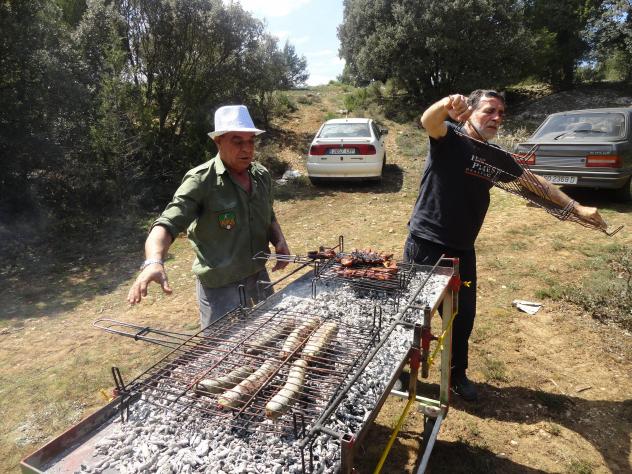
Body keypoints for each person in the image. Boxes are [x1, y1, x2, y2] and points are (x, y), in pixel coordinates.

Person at [404, 90, 606, 401]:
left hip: (462, 250)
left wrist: (577, 207)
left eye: (501, 113)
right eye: (489, 110)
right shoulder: (449, 138)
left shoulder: (496, 156)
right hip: (425, 244)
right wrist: (445, 105)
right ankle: (402, 370)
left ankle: (456, 374)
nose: (496, 118)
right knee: (414, 314)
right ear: (470, 112)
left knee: (462, 317)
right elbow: (428, 121)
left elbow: (535, 183)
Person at [127, 105, 291, 329]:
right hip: (220, 289)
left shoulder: (261, 176)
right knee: (222, 346)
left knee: (270, 335)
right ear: (218, 141)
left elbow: (268, 214)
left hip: (258, 277)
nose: (247, 148)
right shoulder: (201, 181)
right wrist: (154, 261)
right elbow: (166, 224)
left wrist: (279, 240)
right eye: (237, 141)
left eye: (251, 141)